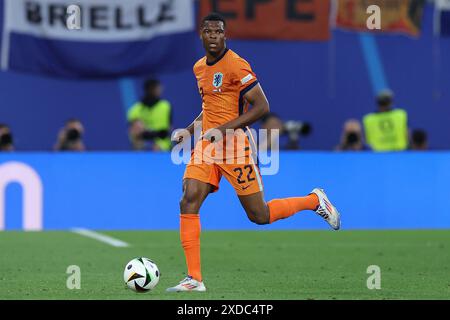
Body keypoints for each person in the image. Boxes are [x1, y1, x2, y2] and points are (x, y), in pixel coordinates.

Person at [166, 13, 341, 293]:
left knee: (259, 215)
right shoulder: (199, 67)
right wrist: (189, 130)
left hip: (235, 146)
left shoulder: (236, 64)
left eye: (218, 32)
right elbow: (209, 108)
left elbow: (261, 107)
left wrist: (223, 130)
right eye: (208, 31)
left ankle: (313, 200)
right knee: (188, 200)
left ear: (225, 36)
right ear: (201, 35)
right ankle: (194, 278)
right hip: (207, 146)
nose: (213, 36)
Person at [127, 79, 172, 151]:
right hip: (143, 144)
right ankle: (140, 154)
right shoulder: (135, 109)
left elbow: (168, 130)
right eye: (158, 88)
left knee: (157, 147)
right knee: (136, 131)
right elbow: (133, 133)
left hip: (162, 145)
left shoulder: (165, 106)